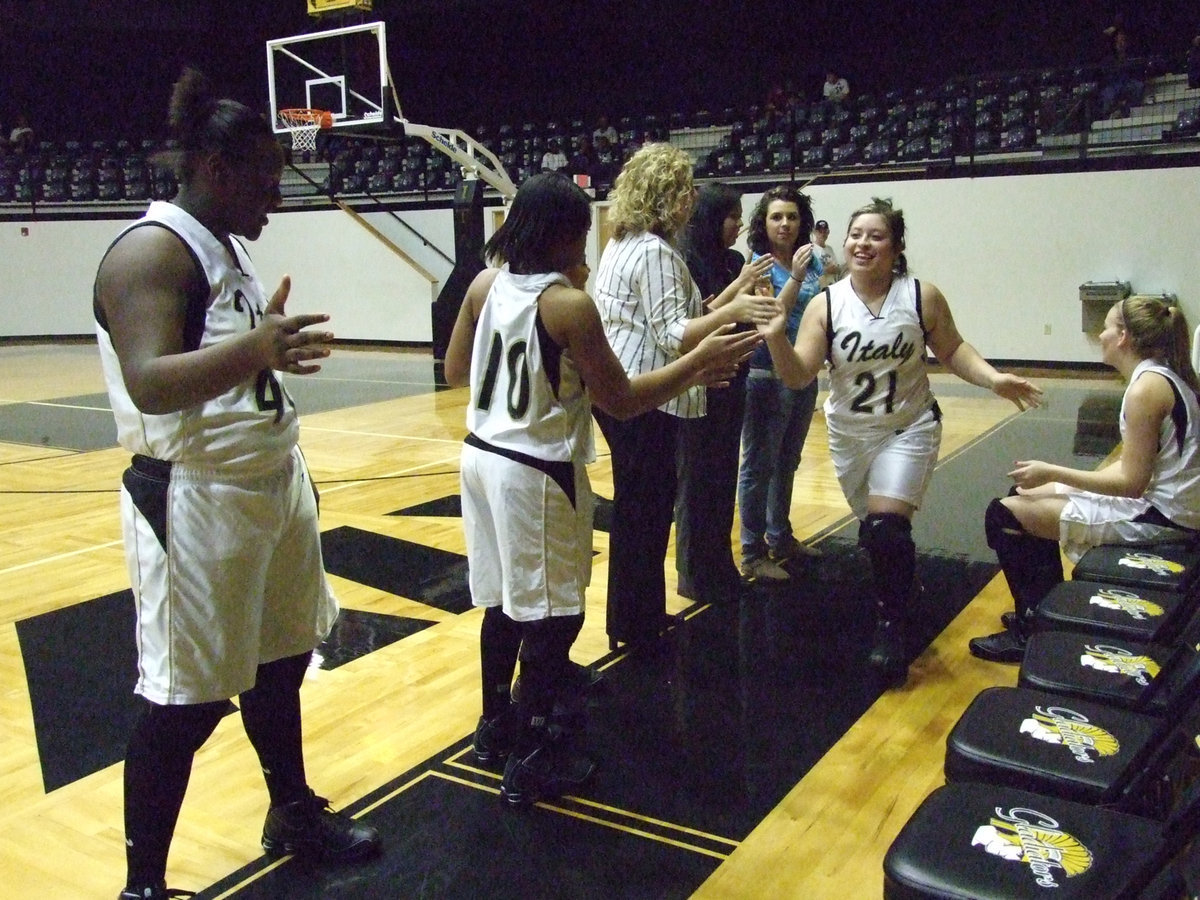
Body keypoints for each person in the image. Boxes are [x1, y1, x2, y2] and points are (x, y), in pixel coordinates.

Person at [93, 68, 380, 900]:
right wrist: (257, 349)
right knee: (183, 701)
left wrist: (260, 346)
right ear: (217, 170)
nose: (275, 196)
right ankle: (143, 883)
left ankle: (291, 811)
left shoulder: (227, 248)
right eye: (266, 177)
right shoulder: (151, 251)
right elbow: (150, 379)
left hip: (266, 485)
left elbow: (227, 367)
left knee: (283, 662)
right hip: (194, 497)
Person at [444, 172, 760, 805]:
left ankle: (493, 726)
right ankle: (532, 756)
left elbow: (455, 372)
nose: (586, 248)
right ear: (561, 234)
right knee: (555, 616)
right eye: (581, 235)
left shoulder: (483, 285)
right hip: (534, 469)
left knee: (502, 602)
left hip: (478, 455)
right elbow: (621, 398)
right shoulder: (567, 305)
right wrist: (698, 364)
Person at [758, 197, 1043, 684]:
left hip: (908, 428)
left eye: (876, 235)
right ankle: (902, 586)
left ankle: (892, 626)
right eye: (856, 234)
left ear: (896, 247)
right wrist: (775, 338)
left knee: (887, 525)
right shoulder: (826, 304)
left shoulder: (920, 295)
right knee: (877, 534)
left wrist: (992, 378)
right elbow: (798, 375)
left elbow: (952, 348)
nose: (862, 243)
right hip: (851, 436)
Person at [592, 143, 777, 649]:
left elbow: (670, 318)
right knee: (645, 513)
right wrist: (730, 312)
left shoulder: (620, 241)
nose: (692, 197)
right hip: (647, 394)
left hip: (623, 389)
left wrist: (726, 300)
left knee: (642, 511)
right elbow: (676, 332)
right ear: (667, 194)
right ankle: (634, 624)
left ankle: (639, 616)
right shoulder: (653, 250)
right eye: (685, 188)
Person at [969, 295, 1200, 663]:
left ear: (1123, 336)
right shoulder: (1162, 377)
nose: (1101, 334)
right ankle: (1046, 610)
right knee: (1023, 494)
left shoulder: (1145, 389)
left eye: (1106, 327)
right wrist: (1063, 484)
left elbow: (1131, 484)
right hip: (1167, 508)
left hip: (1163, 522)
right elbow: (1130, 466)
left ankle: (1034, 634)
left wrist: (1055, 472)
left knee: (1003, 514)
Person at [675, 184, 775, 604]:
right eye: (730, 215)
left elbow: (743, 317)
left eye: (739, 215)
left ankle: (721, 565)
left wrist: (752, 295)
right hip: (700, 383)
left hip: (735, 376)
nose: (737, 223)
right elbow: (698, 321)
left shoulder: (734, 261)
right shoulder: (686, 262)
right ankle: (693, 575)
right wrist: (740, 287)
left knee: (721, 479)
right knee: (696, 483)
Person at [738, 185, 826, 583]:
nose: (785, 223)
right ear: (764, 223)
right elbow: (774, 315)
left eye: (791, 216)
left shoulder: (814, 261)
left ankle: (781, 535)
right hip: (764, 375)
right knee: (759, 464)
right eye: (776, 216)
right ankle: (753, 551)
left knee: (788, 460)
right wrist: (794, 276)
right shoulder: (758, 265)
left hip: (803, 372)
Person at [812, 219, 842, 289]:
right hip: (818, 288)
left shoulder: (830, 249)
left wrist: (836, 269)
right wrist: (826, 270)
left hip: (832, 286)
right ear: (815, 232)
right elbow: (809, 273)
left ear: (828, 232)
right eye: (820, 231)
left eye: (825, 231)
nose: (822, 234)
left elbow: (837, 267)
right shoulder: (811, 249)